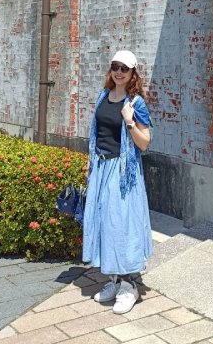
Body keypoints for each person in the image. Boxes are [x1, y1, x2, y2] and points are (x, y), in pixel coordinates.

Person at [82, 49, 153, 315]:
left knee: (120, 225)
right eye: (115, 66)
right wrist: (91, 160)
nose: (119, 72)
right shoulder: (104, 95)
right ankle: (113, 278)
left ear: (133, 72)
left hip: (122, 172)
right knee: (103, 222)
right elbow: (96, 132)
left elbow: (145, 143)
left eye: (124, 68)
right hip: (101, 167)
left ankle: (129, 285)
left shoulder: (136, 103)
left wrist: (130, 122)